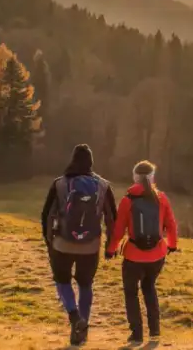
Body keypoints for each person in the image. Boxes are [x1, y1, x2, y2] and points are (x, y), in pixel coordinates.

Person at [41, 144, 116, 346]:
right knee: (85, 284)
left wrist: (49, 241)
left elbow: (46, 214)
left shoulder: (59, 184)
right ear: (91, 162)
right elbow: (112, 219)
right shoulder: (103, 186)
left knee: (62, 281)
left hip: (62, 244)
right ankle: (83, 328)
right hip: (90, 246)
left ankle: (75, 319)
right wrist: (110, 246)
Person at [106, 160, 179, 344]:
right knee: (149, 288)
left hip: (133, 256)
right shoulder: (161, 198)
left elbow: (118, 230)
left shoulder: (127, 200)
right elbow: (171, 224)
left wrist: (111, 249)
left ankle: (137, 334)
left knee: (131, 293)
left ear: (134, 177)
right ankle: (155, 331)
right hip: (157, 255)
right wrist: (172, 244)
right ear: (152, 177)